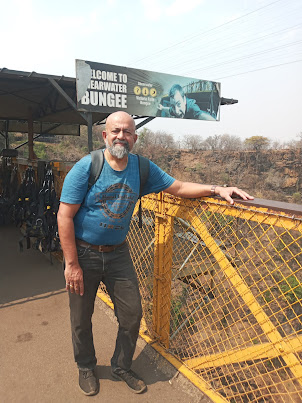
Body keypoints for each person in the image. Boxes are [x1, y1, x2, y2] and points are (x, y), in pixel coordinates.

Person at [57, 111, 253, 397]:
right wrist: (72, 264)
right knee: (80, 317)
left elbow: (180, 187)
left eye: (127, 132)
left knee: (133, 313)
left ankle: (121, 366)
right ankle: (86, 366)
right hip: (83, 253)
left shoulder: (142, 169)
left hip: (118, 253)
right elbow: (64, 217)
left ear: (135, 138)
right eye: (115, 131)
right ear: (105, 135)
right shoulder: (87, 167)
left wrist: (217, 188)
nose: (121, 136)